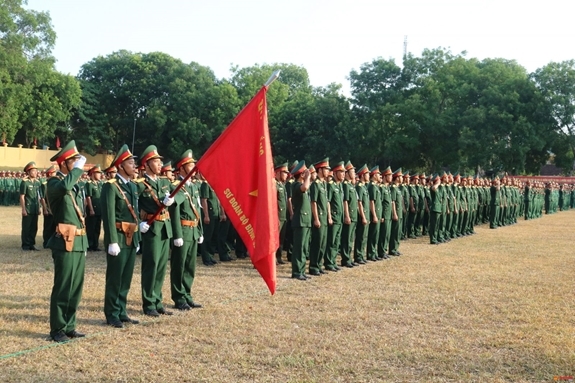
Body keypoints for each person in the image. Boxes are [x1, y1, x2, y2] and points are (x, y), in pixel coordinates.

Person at [45, 140, 88, 342]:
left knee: (76, 287)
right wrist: (77, 171)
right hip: (64, 240)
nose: (78, 165)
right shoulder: (54, 183)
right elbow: (64, 186)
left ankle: (70, 325)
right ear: (64, 164)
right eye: (74, 161)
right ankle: (57, 329)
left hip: (79, 240)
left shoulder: (74, 185)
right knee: (63, 286)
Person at [101, 145, 141, 328]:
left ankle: (122, 310)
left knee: (126, 277)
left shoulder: (132, 186)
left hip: (131, 237)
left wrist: (138, 238)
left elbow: (136, 215)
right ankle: (112, 313)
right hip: (118, 236)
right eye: (131, 163)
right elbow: (109, 216)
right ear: (121, 166)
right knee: (115, 277)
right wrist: (112, 241)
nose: (135, 166)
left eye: (134, 163)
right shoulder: (111, 187)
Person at [135, 145, 175, 317]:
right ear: (147, 164)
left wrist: (171, 200)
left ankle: (158, 300)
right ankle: (148, 302)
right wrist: (138, 224)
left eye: (160, 162)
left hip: (165, 227)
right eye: (156, 162)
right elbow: (131, 206)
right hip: (151, 228)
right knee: (151, 266)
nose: (160, 165)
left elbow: (180, 193)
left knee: (161, 267)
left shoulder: (165, 182)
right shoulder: (139, 185)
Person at [169, 149, 204, 310]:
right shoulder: (177, 186)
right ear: (182, 169)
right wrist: (177, 234)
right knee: (179, 265)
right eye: (190, 165)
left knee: (190, 266)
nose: (194, 168)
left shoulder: (193, 186)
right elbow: (174, 211)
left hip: (193, 229)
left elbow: (198, 210)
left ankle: (187, 294)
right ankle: (178, 297)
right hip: (183, 230)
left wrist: (200, 230)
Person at [290, 161, 311, 280]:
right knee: (299, 247)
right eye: (305, 172)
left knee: (304, 247)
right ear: (301, 175)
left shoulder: (302, 185)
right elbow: (305, 187)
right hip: (300, 221)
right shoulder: (296, 185)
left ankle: (302, 270)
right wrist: (307, 178)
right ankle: (297, 271)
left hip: (306, 220)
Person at [309, 158, 331, 275]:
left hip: (325, 217)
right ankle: (313, 267)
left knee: (323, 243)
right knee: (317, 243)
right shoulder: (315, 185)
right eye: (326, 169)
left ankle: (319, 264)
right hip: (319, 217)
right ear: (320, 170)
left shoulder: (324, 184)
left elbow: (326, 202)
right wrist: (316, 218)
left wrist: (328, 217)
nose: (328, 171)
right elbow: (314, 202)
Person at [20, 161, 42, 251]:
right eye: (33, 171)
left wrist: (39, 207)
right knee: (26, 227)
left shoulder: (37, 183)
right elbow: (22, 196)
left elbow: (38, 196)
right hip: (28, 208)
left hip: (35, 208)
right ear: (28, 172)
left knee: (34, 227)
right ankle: (25, 245)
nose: (35, 172)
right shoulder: (25, 182)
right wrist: (23, 209)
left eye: (36, 170)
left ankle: (32, 244)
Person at [85, 165, 104, 252]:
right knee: (91, 228)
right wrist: (91, 209)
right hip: (92, 209)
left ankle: (95, 245)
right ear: (93, 174)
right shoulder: (89, 184)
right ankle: (90, 244)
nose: (100, 175)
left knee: (97, 228)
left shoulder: (100, 184)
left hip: (99, 209)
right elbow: (88, 197)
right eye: (98, 173)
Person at [274, 162, 289, 265]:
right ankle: (273, 258)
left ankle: (279, 257)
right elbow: (273, 202)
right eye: (284, 172)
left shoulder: (282, 185)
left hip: (283, 216)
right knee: (275, 238)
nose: (286, 175)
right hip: (278, 216)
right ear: (278, 173)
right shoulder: (274, 184)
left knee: (281, 238)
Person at [42, 165, 57, 248]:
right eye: (54, 173)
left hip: (54, 208)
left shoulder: (55, 184)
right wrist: (45, 209)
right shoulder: (45, 185)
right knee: (48, 227)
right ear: (50, 174)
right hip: (48, 209)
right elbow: (43, 198)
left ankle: (52, 242)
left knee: (54, 227)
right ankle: (46, 243)